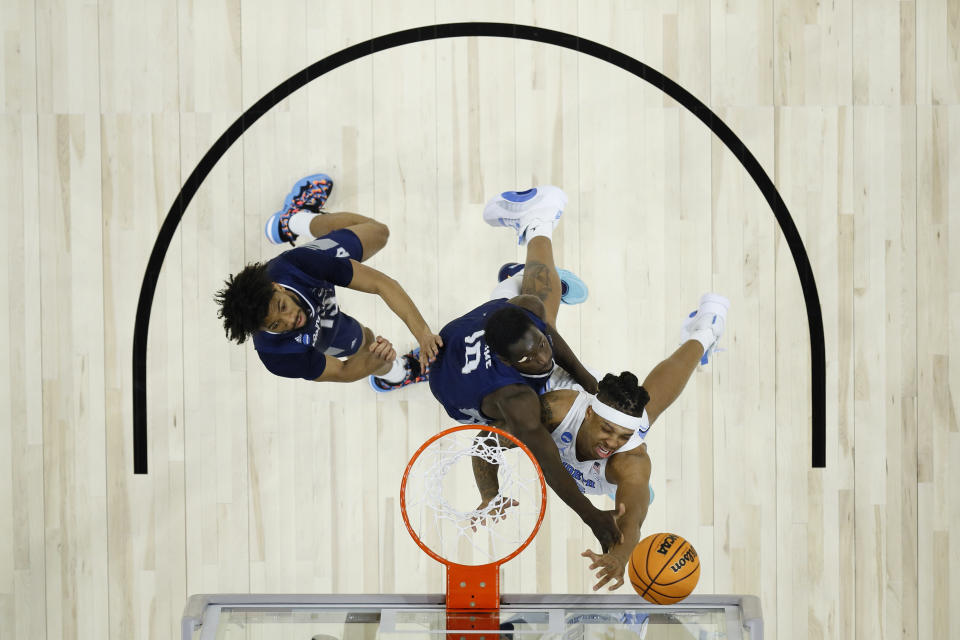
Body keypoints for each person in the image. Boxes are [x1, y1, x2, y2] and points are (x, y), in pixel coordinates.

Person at [474, 292, 729, 591]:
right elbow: (486, 442)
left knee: (643, 436)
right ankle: (526, 269)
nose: (612, 442)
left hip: (606, 464)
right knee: (541, 325)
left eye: (622, 436)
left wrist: (621, 557)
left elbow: (631, 523)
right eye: (607, 430)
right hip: (558, 392)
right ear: (591, 413)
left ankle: (704, 332)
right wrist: (490, 491)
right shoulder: (553, 410)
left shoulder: (630, 460)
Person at [423, 185, 622, 552]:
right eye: (529, 360)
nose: (543, 359)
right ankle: (533, 230)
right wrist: (591, 515)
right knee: (542, 431)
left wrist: (584, 377)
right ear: (506, 361)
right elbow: (515, 452)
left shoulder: (526, 313)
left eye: (541, 347)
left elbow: (548, 337)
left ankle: (535, 220)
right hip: (455, 380)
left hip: (472, 328)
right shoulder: (513, 399)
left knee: (542, 296)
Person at [214, 173, 442, 386]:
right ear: (262, 329)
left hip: (311, 273)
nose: (291, 318)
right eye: (276, 324)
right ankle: (398, 375)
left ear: (276, 287)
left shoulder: (299, 264)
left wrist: (423, 334)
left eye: (282, 306)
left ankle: (295, 220)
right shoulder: (277, 356)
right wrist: (375, 362)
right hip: (318, 331)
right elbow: (342, 372)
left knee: (378, 233)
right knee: (367, 343)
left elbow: (381, 284)